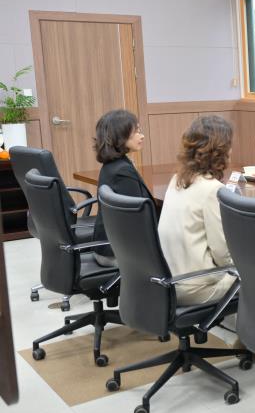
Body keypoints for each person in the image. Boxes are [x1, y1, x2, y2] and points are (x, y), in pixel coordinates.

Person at [158, 115, 237, 306]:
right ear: (221, 151)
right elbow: (222, 253)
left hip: (167, 282)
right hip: (196, 287)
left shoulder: (177, 179)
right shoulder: (212, 189)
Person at [92, 109, 153, 267]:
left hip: (107, 247)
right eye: (136, 131)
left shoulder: (113, 165)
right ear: (120, 135)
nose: (142, 136)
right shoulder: (122, 172)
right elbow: (139, 219)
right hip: (118, 254)